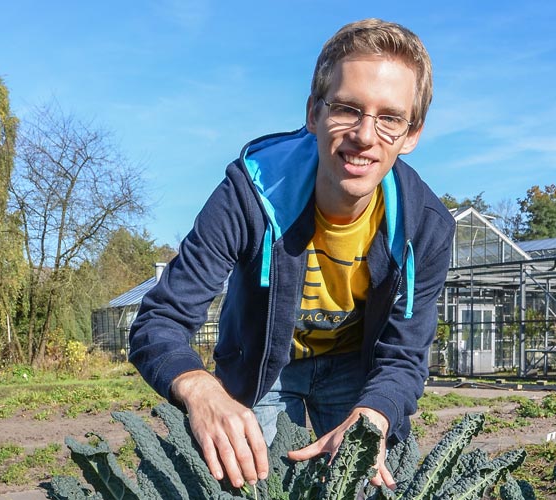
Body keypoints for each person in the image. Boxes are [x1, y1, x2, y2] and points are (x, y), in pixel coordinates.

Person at [129, 18, 455, 491]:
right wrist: (201, 390)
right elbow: (159, 320)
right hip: (264, 362)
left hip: (352, 364)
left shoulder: (423, 227)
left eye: (389, 118)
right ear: (313, 113)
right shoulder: (250, 192)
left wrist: (375, 413)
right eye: (346, 108)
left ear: (412, 134)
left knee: (362, 480)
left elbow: (404, 355)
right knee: (238, 479)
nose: (365, 135)